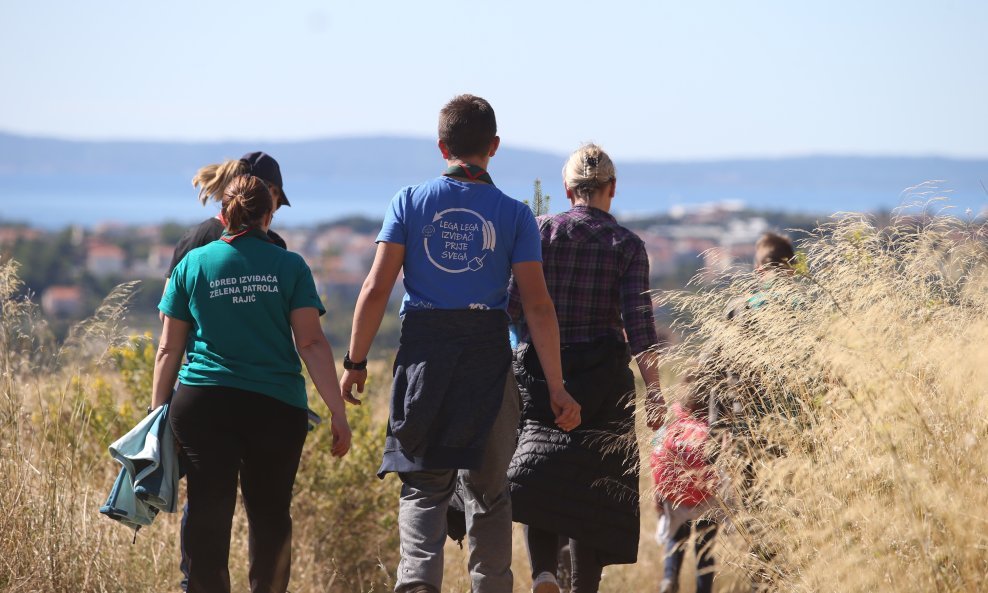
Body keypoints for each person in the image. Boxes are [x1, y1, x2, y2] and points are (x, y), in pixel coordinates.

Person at [339, 94, 581, 593]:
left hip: (422, 357)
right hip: (487, 360)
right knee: (490, 494)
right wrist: (556, 385)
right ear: (494, 146)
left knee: (424, 489)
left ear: (442, 146)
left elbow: (376, 288)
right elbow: (537, 306)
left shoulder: (408, 201)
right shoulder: (514, 215)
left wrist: (355, 361)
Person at [153, 175, 352, 593]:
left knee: (208, 510)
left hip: (203, 404)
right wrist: (337, 411)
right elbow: (312, 343)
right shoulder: (290, 265)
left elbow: (168, 350)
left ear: (224, 215)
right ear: (269, 214)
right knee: (271, 515)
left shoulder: (193, 264)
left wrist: (157, 415)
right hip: (276, 408)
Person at [506, 144, 666, 593]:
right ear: (611, 189)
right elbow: (639, 327)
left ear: (567, 188)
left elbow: (512, 303)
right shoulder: (628, 246)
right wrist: (655, 392)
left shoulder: (540, 234)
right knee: (593, 490)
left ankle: (543, 573)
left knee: (543, 475)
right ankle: (582, 587)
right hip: (604, 381)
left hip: (542, 374)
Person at [162, 151, 292, 591]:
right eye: (272, 195)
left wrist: (162, 407)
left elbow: (169, 337)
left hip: (200, 398)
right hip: (264, 399)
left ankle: (194, 586)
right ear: (251, 189)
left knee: (205, 503)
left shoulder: (192, 245)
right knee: (264, 510)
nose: (272, 207)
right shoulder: (273, 253)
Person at [651, 373, 718, 593]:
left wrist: (658, 494)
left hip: (675, 495)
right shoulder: (714, 425)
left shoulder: (670, 421)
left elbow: (656, 456)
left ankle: (669, 580)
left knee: (675, 541)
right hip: (706, 497)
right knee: (704, 551)